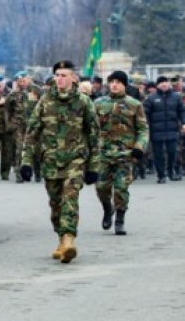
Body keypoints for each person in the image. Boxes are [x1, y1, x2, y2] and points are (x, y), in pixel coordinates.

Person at [20, 60, 100, 264]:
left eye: (64, 75)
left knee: (70, 199)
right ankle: (60, 238)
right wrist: (26, 162)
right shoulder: (45, 102)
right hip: (51, 161)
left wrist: (93, 166)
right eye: (57, 75)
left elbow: (94, 136)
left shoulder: (83, 102)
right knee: (56, 205)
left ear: (74, 77)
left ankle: (68, 240)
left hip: (75, 160)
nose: (60, 79)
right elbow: (32, 133)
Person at [93, 70, 148, 235]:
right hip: (103, 153)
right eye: (112, 82)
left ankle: (120, 220)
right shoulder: (99, 103)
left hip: (125, 154)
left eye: (118, 82)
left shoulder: (135, 105)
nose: (114, 85)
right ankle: (107, 208)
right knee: (101, 187)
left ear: (125, 85)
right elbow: (91, 128)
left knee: (121, 188)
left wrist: (139, 147)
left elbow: (143, 129)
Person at [143, 75, 185, 184]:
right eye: (162, 83)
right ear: (158, 85)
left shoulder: (176, 97)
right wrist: (146, 124)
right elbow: (145, 113)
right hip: (156, 131)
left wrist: (183, 123)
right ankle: (161, 175)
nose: (164, 84)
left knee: (172, 152)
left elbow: (182, 111)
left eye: (166, 82)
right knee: (158, 154)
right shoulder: (151, 98)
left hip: (172, 129)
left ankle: (171, 171)